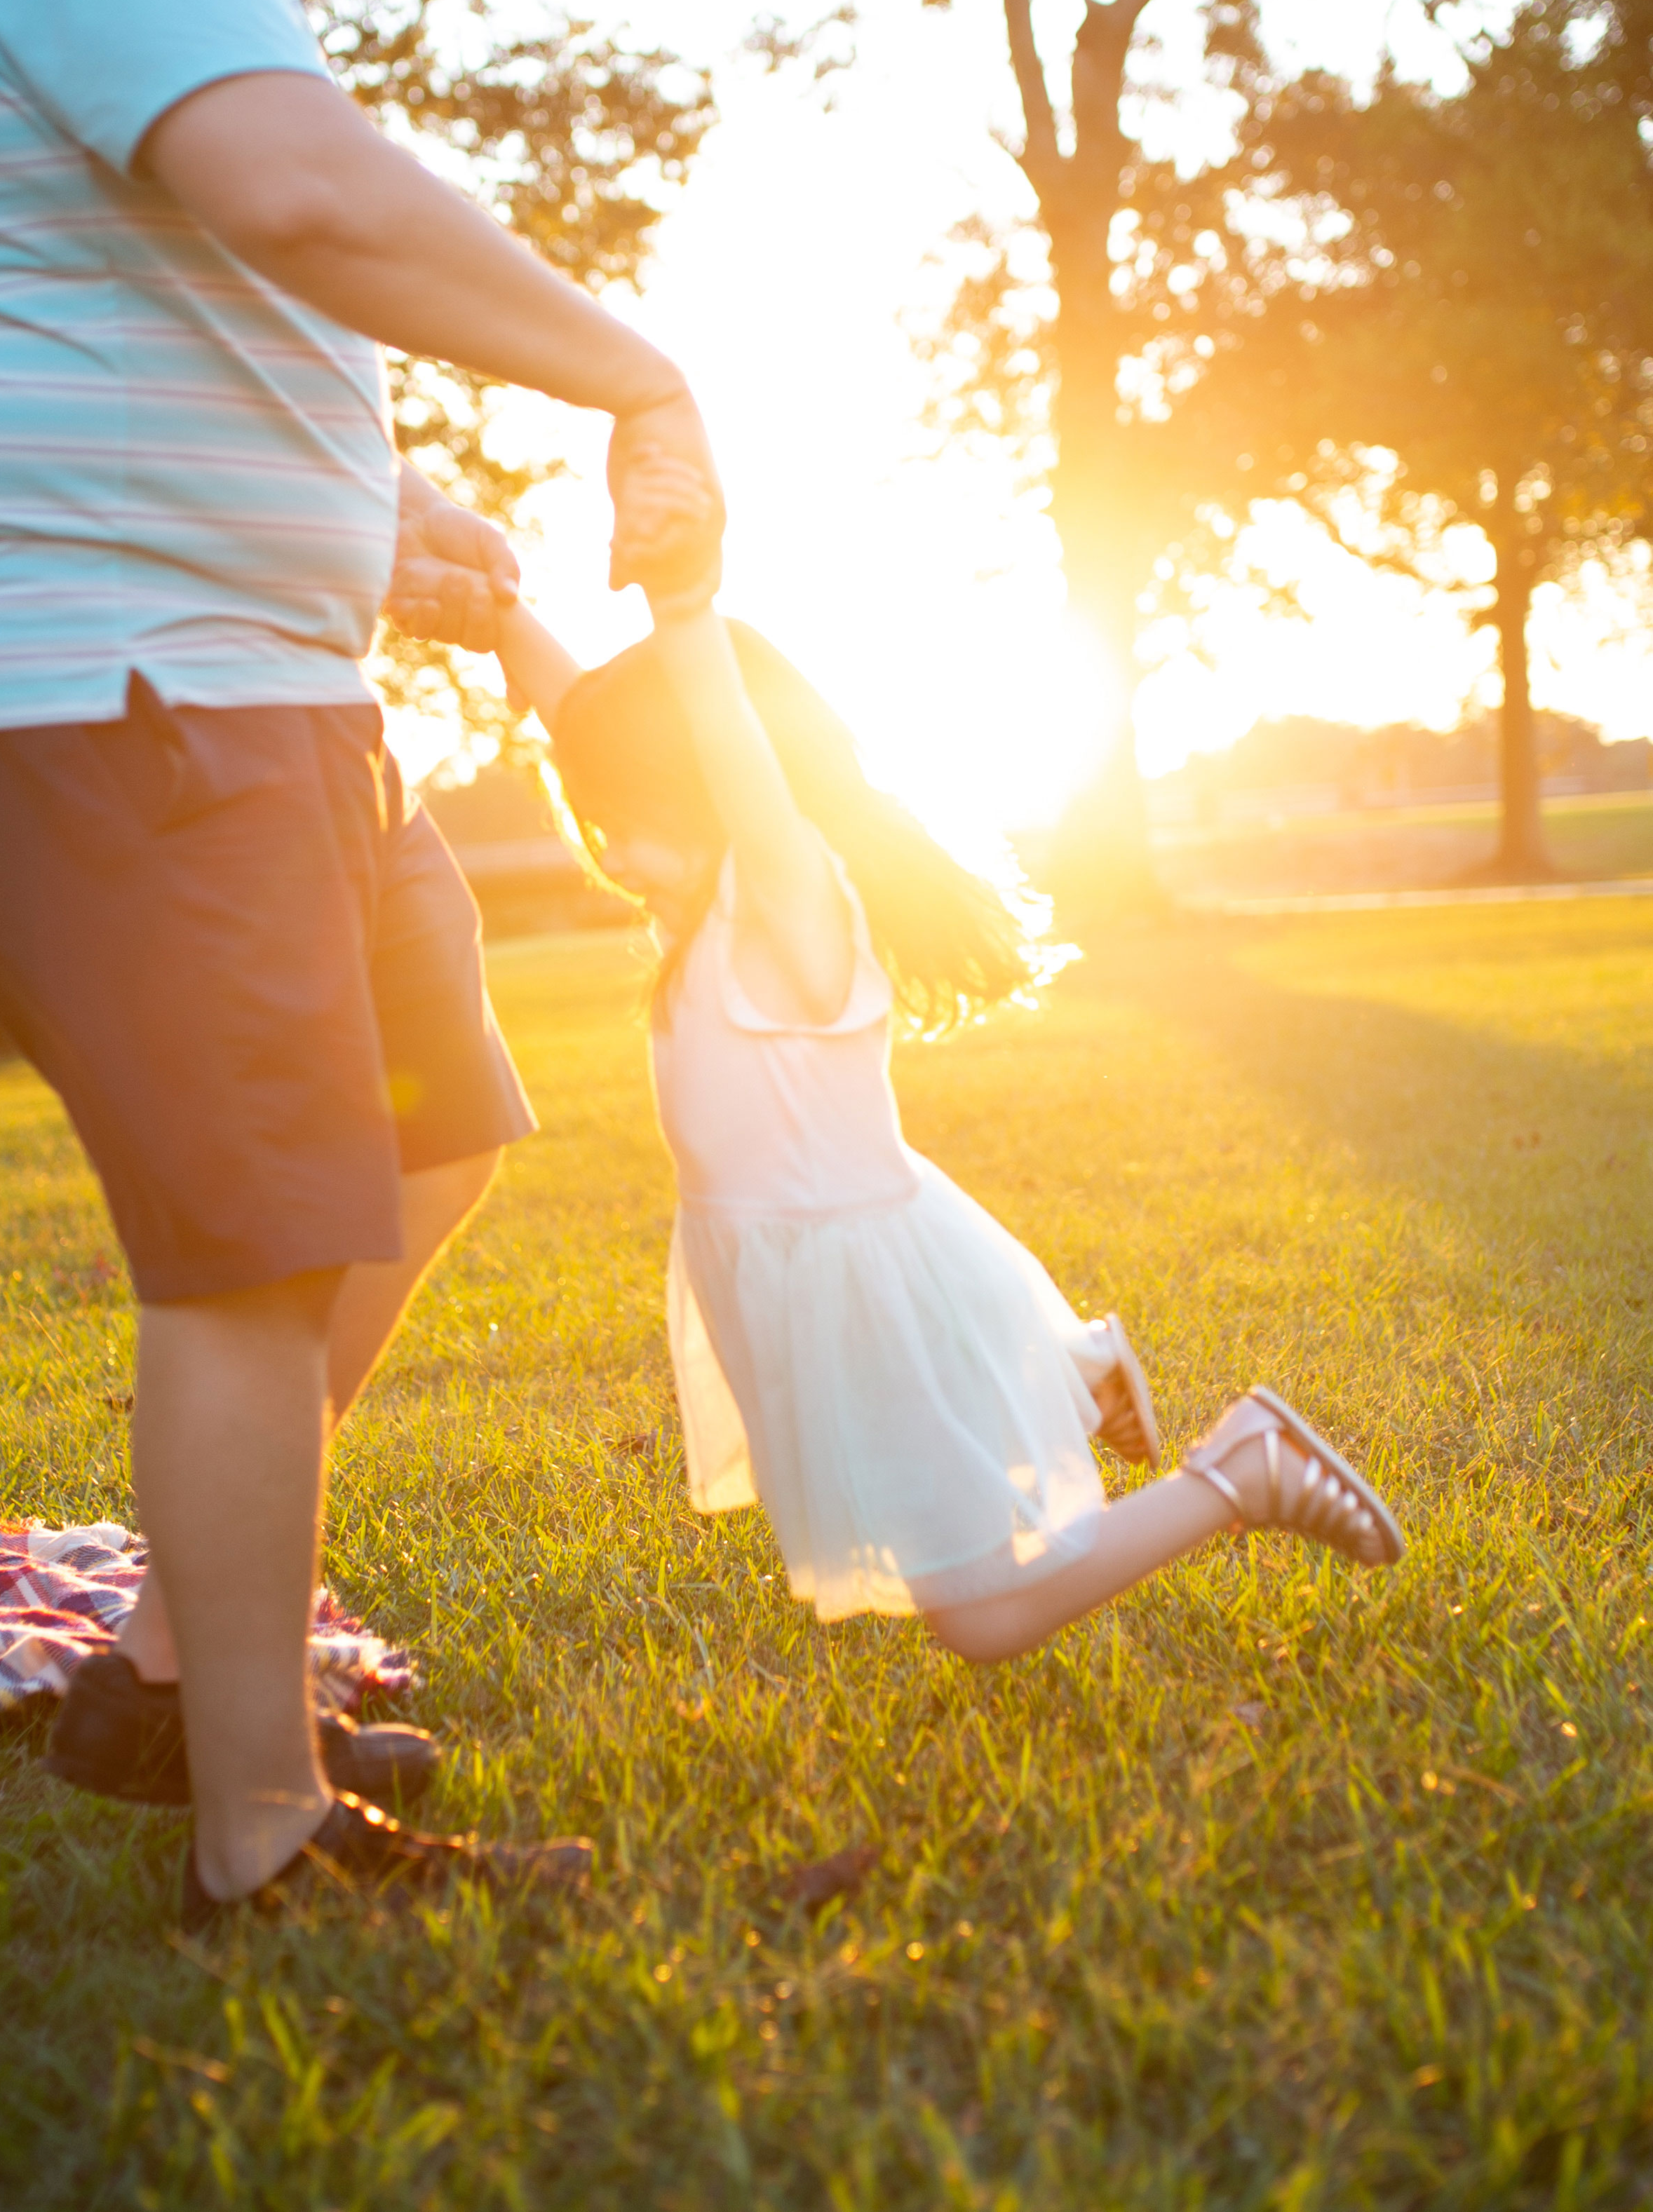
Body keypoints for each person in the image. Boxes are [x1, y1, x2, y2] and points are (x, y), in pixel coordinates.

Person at [0, 0, 723, 1918]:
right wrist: (637, 366)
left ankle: (158, 1664)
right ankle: (260, 1822)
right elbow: (297, 193)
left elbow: (141, 287)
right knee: (254, 1233)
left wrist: (363, 523)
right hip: (84, 671)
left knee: (432, 1111)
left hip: (230, 648)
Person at [487, 482, 1405, 1662]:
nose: (608, 849)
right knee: (912, 1517)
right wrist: (497, 610)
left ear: (711, 791)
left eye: (630, 816)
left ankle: (1240, 1471)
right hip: (804, 1277)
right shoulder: (705, 913)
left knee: (983, 1617)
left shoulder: (789, 908)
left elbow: (732, 753)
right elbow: (584, 716)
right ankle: (1069, 1368)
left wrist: (684, 608)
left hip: (857, 1285)